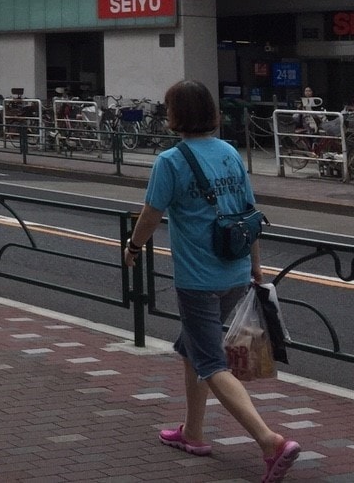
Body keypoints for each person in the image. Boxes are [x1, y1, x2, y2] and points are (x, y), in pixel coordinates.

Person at [122, 80, 301, 482]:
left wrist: (134, 248)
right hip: (235, 272)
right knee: (193, 346)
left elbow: (151, 215)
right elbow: (248, 213)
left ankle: (270, 441)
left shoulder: (170, 161)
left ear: (176, 115)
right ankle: (194, 432)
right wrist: (255, 265)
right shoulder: (229, 154)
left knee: (209, 361)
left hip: (198, 277)